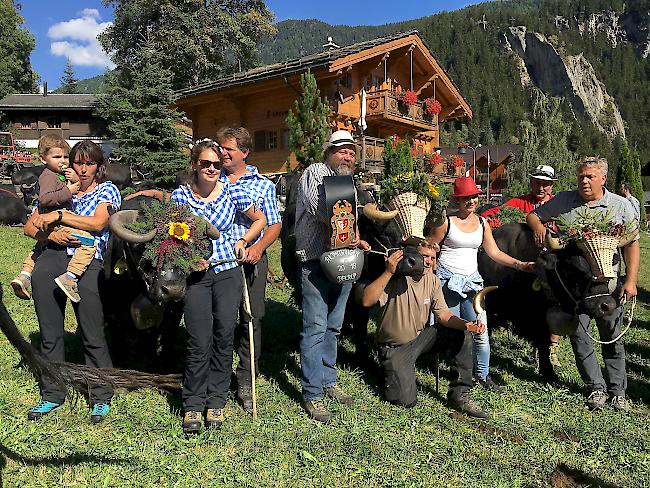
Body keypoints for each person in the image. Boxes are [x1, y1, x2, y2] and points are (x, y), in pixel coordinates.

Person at [527, 156, 639, 412]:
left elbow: (632, 245)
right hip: (575, 287)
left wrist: (630, 281)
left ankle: (618, 392)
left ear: (603, 179)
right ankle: (596, 388)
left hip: (608, 283)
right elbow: (534, 216)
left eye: (590, 176)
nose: (585, 181)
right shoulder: (566, 201)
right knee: (581, 335)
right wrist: (539, 228)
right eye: (581, 177)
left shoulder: (620, 206)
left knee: (611, 337)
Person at [171, 140, 266, 433]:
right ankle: (193, 404)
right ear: (195, 165)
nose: (212, 168)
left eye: (216, 163)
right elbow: (172, 236)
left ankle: (216, 400)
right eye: (205, 163)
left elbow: (261, 219)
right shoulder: (180, 196)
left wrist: (244, 240)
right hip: (196, 276)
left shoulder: (233, 191)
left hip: (227, 272)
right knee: (199, 339)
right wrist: (188, 257)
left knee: (224, 336)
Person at [23, 140, 121, 423]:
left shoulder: (106, 190)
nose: (84, 168)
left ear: (99, 165)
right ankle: (52, 393)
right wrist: (50, 234)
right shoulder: (59, 190)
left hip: (87, 260)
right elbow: (31, 226)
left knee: (91, 330)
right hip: (53, 255)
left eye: (90, 163)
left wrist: (61, 216)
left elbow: (98, 223)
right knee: (49, 331)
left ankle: (100, 393)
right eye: (78, 162)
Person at [428, 177, 535, 393]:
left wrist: (520, 265)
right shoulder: (445, 223)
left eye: (474, 197)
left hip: (473, 284)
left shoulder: (483, 223)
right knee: (452, 328)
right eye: (466, 197)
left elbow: (494, 252)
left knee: (481, 332)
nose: (471, 201)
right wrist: (429, 275)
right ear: (457, 200)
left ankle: (483, 375)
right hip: (447, 283)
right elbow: (430, 248)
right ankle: (453, 370)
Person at [361, 242, 489, 419]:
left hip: (420, 340)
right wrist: (388, 272)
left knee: (461, 334)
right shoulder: (397, 277)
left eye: (432, 258)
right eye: (424, 257)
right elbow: (366, 301)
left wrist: (466, 325)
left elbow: (443, 315)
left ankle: (460, 396)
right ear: (413, 258)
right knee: (405, 401)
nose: (428, 262)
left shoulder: (433, 280)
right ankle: (389, 371)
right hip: (394, 347)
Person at [295, 129, 369, 423]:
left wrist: (356, 237)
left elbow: (350, 220)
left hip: (342, 259)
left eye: (352, 152)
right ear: (328, 153)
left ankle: (328, 380)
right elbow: (320, 210)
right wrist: (347, 223)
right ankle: (313, 393)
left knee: (334, 325)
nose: (348, 156)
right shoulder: (316, 172)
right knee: (315, 325)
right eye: (342, 151)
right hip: (315, 260)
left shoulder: (346, 181)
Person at [215, 127, 281, 412]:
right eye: (221, 147)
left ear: (244, 152)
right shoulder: (211, 178)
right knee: (220, 319)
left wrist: (258, 248)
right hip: (218, 262)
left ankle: (245, 379)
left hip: (252, 259)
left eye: (229, 149)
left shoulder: (263, 185)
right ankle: (216, 374)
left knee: (250, 320)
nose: (223, 153)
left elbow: (274, 224)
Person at [481, 164, 563, 369]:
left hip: (551, 268)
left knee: (554, 303)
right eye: (537, 183)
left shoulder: (560, 207)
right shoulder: (518, 203)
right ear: (531, 183)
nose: (541, 188)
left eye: (545, 184)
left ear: (552, 185)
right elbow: (490, 216)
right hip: (522, 268)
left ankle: (551, 347)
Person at [11, 134, 97, 304]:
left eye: (65, 156)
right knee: (88, 242)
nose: (62, 161)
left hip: (49, 222)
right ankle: (70, 277)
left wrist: (70, 179)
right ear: (43, 159)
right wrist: (69, 191)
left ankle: (25, 275)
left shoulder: (56, 174)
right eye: (57, 157)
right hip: (57, 221)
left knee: (40, 246)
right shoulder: (48, 176)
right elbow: (45, 198)